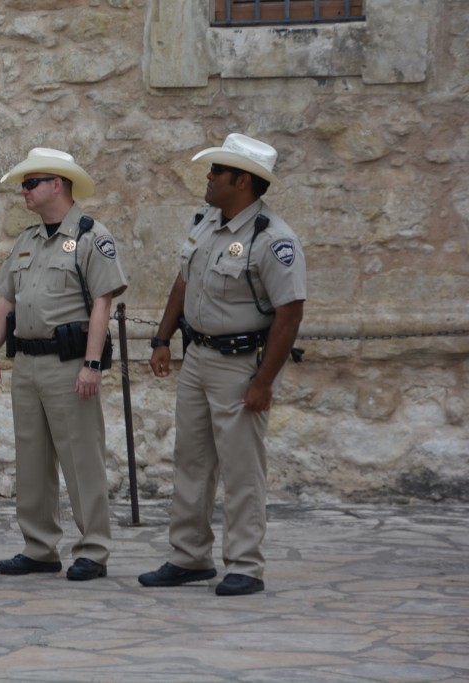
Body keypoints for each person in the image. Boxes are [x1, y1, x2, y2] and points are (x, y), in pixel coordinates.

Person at [138, 133, 306, 596]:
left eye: (217, 171)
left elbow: (290, 312)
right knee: (190, 460)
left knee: (241, 468)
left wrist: (264, 381)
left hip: (240, 363)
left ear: (243, 181)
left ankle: (246, 565)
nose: (208, 178)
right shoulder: (207, 222)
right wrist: (162, 338)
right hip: (197, 357)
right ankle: (189, 557)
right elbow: (183, 281)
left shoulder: (273, 240)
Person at [0, 148, 127, 582]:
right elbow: (6, 299)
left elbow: (102, 303)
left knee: (81, 458)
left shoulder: (90, 236)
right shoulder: (26, 240)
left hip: (68, 363)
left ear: (57, 185)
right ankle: (39, 546)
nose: (23, 191)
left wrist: (92, 363)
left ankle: (93, 549)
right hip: (26, 362)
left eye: (31, 183)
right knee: (32, 459)